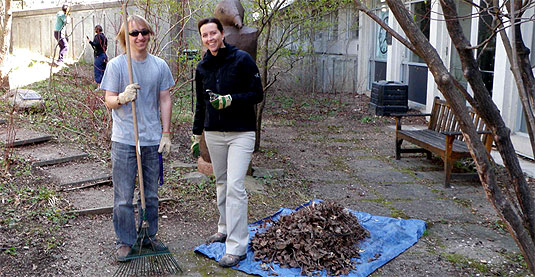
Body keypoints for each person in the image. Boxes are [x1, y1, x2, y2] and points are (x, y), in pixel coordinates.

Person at [100, 14, 174, 262]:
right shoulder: (117, 66)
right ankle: (125, 241)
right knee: (123, 197)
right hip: (124, 140)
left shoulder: (160, 66)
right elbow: (109, 101)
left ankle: (149, 235)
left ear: (150, 34)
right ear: (125, 37)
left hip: (152, 140)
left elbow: (165, 98)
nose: (140, 37)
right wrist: (121, 97)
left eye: (144, 32)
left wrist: (166, 133)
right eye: (134, 33)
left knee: (150, 194)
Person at [192, 17, 263, 268]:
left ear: (222, 34)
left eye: (213, 33)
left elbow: (257, 93)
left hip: (241, 133)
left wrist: (232, 99)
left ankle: (237, 247)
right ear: (201, 39)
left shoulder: (242, 59)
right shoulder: (202, 67)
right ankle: (223, 228)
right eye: (205, 35)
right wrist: (195, 133)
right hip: (213, 133)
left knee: (235, 186)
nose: (210, 38)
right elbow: (200, 103)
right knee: (221, 183)